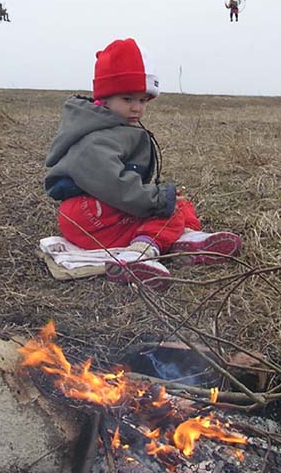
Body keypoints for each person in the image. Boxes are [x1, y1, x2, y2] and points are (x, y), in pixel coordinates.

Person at [44, 37, 242, 289]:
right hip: (87, 215)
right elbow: (114, 186)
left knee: (179, 205)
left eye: (143, 100)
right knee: (166, 207)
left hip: (100, 211)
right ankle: (139, 255)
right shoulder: (96, 139)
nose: (136, 108)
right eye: (127, 99)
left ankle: (186, 238)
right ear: (104, 98)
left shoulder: (113, 128)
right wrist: (159, 199)